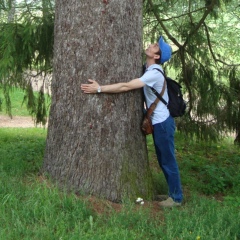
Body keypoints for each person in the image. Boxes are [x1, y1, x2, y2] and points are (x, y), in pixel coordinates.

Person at [81, 36, 183, 207]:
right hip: (158, 121)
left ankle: (176, 198)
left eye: (155, 46)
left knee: (167, 160)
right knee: (163, 159)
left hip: (163, 123)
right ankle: (172, 193)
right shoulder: (148, 68)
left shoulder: (153, 73)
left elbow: (126, 86)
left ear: (157, 56)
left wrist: (99, 88)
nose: (151, 45)